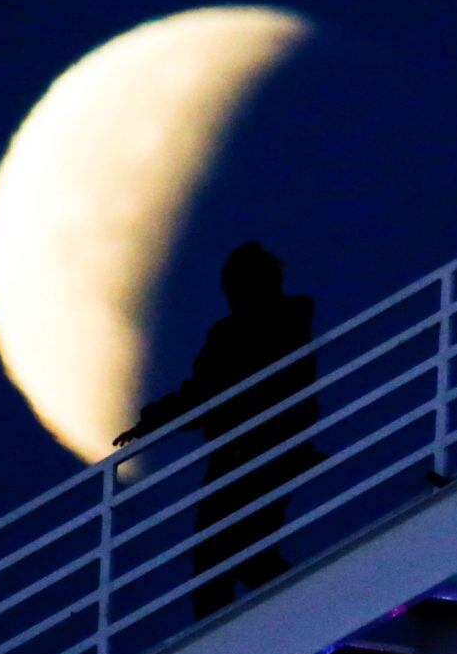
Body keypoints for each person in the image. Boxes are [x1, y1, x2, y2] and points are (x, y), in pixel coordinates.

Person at [114, 242, 321, 620]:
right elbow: (206, 394)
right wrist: (154, 421)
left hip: (253, 455)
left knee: (225, 558)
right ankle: (308, 614)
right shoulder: (287, 326)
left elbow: (208, 393)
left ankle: (311, 615)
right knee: (232, 557)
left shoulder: (252, 331)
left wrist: (154, 420)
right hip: (257, 453)